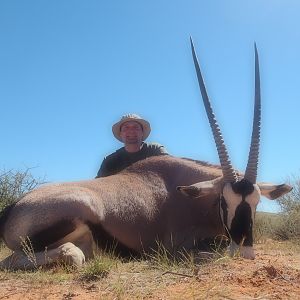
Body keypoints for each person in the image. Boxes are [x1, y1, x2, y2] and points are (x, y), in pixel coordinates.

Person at [96, 113, 168, 177]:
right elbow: (97, 185)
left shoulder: (156, 150)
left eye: (136, 127)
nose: (131, 131)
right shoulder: (109, 161)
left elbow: (173, 168)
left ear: (142, 132)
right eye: (126, 128)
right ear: (120, 134)